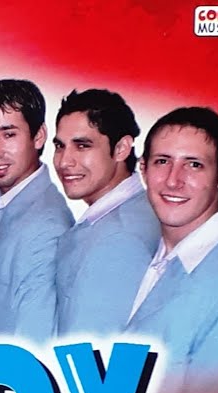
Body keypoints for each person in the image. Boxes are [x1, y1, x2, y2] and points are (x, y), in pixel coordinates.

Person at [127, 106, 218, 393]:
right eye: (162, 161)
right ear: (143, 168)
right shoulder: (138, 251)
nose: (173, 180)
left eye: (194, 165)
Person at [52, 89, 160, 337]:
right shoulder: (134, 211)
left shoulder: (119, 238)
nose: (64, 161)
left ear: (121, 148)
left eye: (82, 146)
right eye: (60, 146)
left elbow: (93, 349)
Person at [0, 79, 73, 341]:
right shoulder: (10, 204)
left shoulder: (44, 225)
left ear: (39, 136)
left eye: (8, 134)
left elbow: (33, 340)